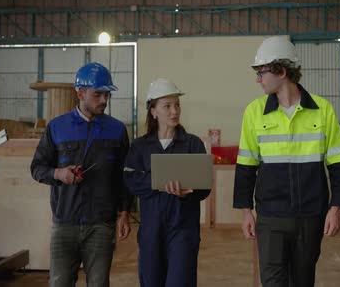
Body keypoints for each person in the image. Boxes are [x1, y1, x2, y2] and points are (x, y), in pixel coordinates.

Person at [233, 36, 340, 286]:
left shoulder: (322, 110)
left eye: (261, 72)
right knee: (273, 282)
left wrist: (336, 208)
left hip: (310, 217)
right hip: (271, 218)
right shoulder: (254, 112)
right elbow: (246, 167)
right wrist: (246, 211)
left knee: (303, 281)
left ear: (282, 71)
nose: (258, 79)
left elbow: (339, 165)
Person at [31, 62, 132, 287]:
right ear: (80, 93)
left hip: (101, 225)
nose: (104, 100)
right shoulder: (57, 128)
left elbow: (123, 177)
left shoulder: (117, 130)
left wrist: (124, 212)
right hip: (64, 224)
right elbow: (37, 168)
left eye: (107, 94)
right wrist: (59, 173)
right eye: (98, 94)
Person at [123, 78, 211, 287]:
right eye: (167, 106)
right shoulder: (140, 146)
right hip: (151, 230)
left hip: (183, 229)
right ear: (153, 111)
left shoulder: (192, 144)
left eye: (177, 105)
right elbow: (130, 179)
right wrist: (160, 182)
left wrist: (189, 191)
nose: (174, 111)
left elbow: (204, 186)